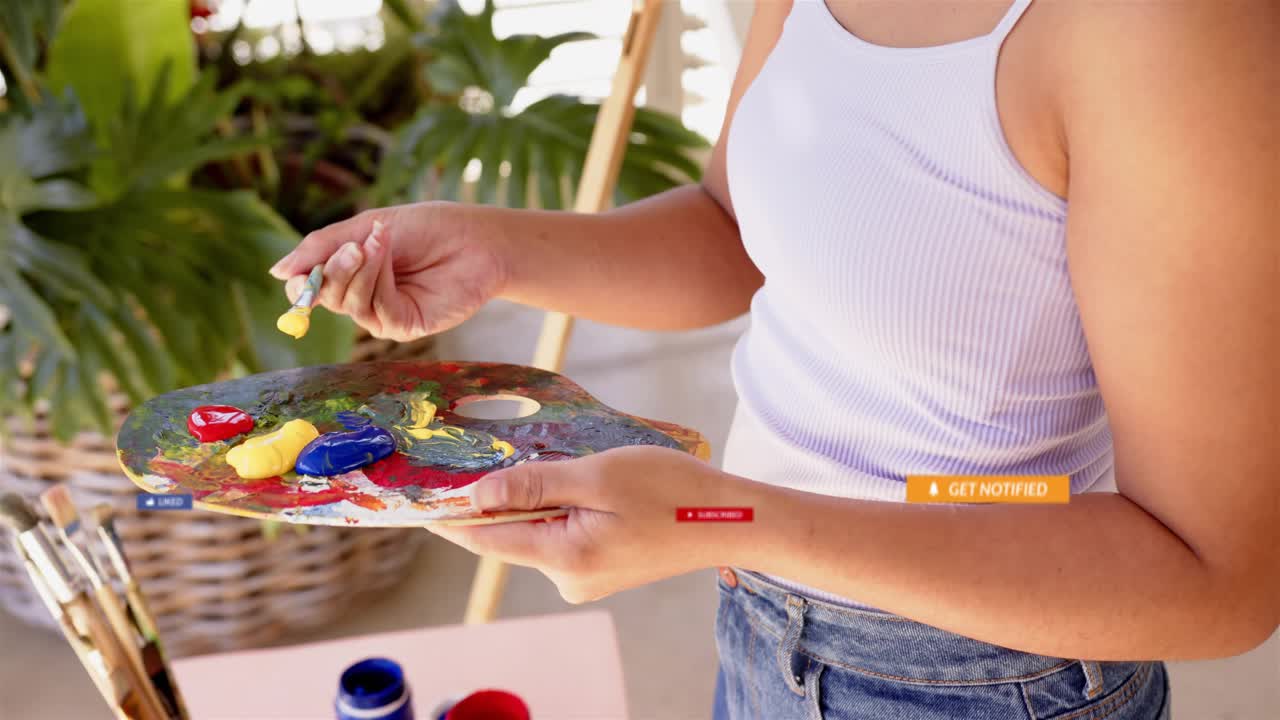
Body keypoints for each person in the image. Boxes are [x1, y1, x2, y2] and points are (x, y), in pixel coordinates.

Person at [269, 1, 1278, 717]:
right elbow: (732, 230)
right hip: (761, 614)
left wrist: (718, 513)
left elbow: (1214, 576)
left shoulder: (1164, 28)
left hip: (982, 678)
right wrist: (495, 251)